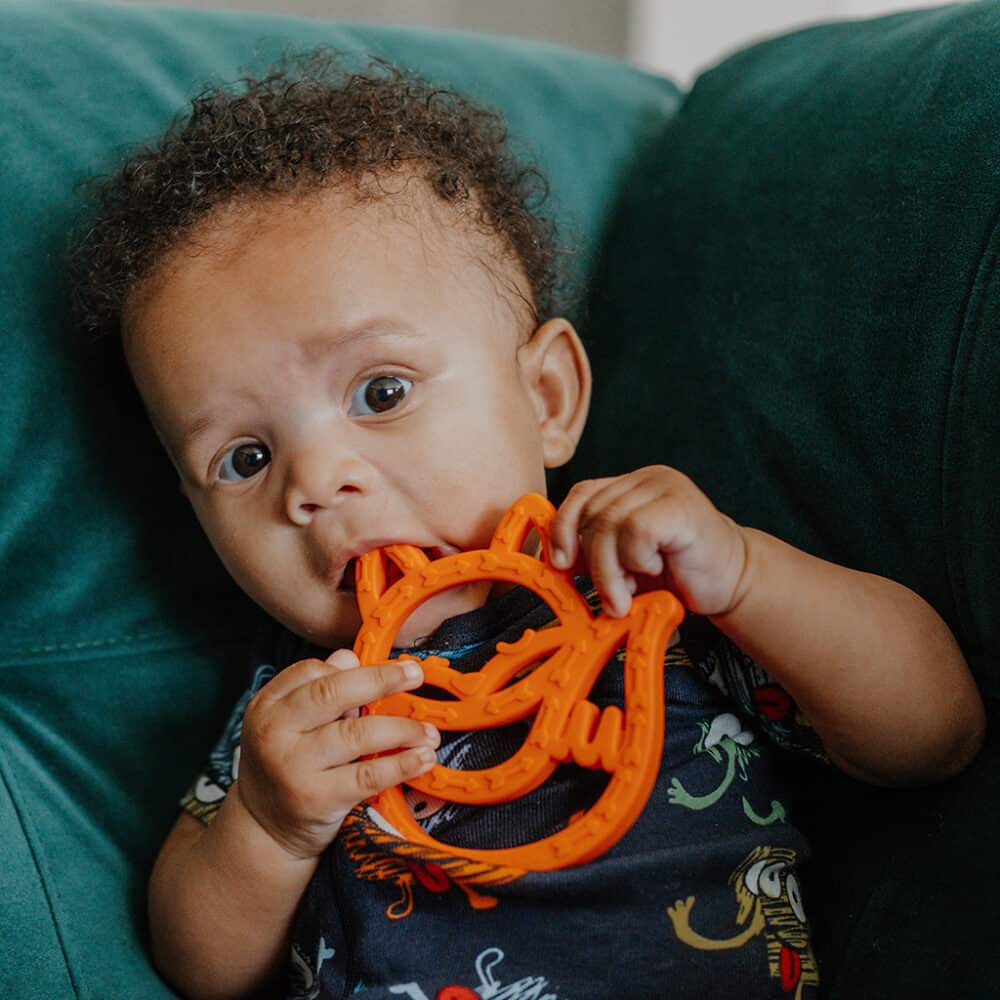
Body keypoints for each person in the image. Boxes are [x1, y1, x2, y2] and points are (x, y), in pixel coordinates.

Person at [71, 53, 984, 1000]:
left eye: (380, 392)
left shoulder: (645, 586)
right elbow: (200, 967)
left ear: (546, 396)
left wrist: (749, 575)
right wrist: (266, 825)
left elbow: (936, 734)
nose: (314, 482)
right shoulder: (305, 708)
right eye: (244, 460)